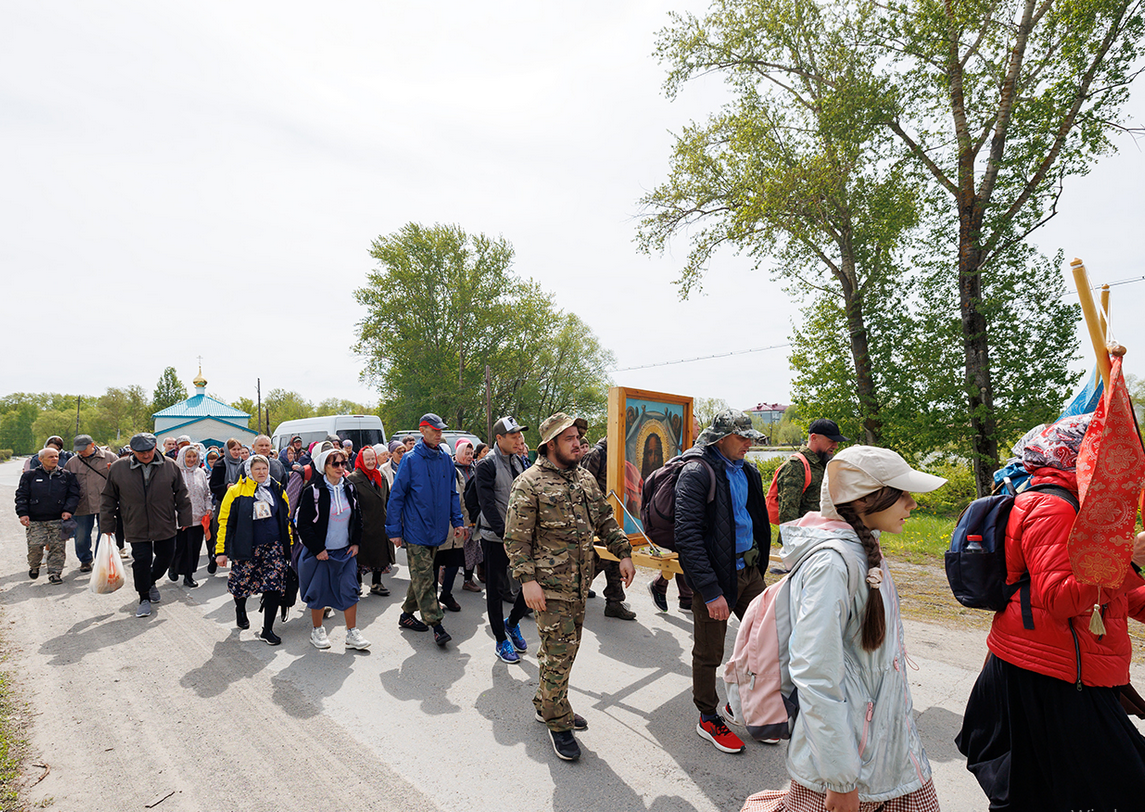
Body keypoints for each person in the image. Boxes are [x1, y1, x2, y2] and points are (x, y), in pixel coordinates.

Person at [956, 416, 1145, 811]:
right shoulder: (1052, 506)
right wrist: (1131, 561)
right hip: (1051, 673)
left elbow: (1112, 595)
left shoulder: (1083, 505)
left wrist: (1130, 571)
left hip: (1060, 664)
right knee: (1117, 787)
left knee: (1039, 791)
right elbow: (1061, 598)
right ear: (1078, 456)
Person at [742, 445, 945, 812]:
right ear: (864, 500)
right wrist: (840, 777)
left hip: (888, 755)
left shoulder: (864, 552)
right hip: (850, 769)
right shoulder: (831, 565)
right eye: (902, 494)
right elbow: (816, 674)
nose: (912, 504)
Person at [504, 412, 635, 762]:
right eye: (569, 438)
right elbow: (516, 540)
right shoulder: (529, 483)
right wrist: (527, 581)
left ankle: (546, 703)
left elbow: (605, 518)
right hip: (549, 588)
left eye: (579, 437)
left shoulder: (584, 478)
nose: (578, 443)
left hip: (579, 585)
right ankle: (558, 723)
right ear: (550, 445)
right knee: (558, 656)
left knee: (565, 652)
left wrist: (623, 552)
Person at [674, 409, 770, 754]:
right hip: (715, 577)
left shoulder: (748, 471)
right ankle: (707, 716)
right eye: (742, 437)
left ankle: (738, 705)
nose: (748, 443)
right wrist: (711, 590)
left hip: (749, 572)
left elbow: (756, 519)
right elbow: (687, 535)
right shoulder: (697, 472)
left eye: (750, 437)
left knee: (767, 640)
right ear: (721, 437)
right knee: (709, 652)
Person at [387, 413, 466, 647]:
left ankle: (406, 615)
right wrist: (394, 530)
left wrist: (458, 520)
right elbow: (397, 497)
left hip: (438, 529)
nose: (439, 432)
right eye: (435, 429)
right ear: (423, 430)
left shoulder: (445, 458)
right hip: (415, 530)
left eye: (441, 429)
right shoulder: (410, 460)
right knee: (424, 576)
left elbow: (453, 493)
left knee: (422, 576)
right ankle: (437, 624)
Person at [100, 433, 192, 617]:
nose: (146, 455)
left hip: (164, 521)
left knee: (167, 556)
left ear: (156, 446)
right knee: (141, 561)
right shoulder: (119, 467)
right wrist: (107, 525)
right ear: (132, 450)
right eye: (141, 452)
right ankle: (143, 598)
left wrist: (185, 519)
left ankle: (150, 580)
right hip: (135, 522)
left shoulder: (169, 465)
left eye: (149, 451)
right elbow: (109, 497)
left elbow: (182, 493)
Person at [214, 454, 295, 645]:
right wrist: (221, 551)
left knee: (273, 585)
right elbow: (225, 522)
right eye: (257, 469)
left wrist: (288, 545)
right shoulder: (236, 491)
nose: (261, 472)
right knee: (241, 584)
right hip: (246, 547)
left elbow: (285, 518)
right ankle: (240, 609)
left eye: (264, 468)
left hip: (273, 547)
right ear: (248, 470)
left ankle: (267, 630)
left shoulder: (277, 489)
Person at [296, 446, 370, 651]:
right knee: (318, 592)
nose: (340, 467)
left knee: (350, 589)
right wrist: (318, 548)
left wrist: (356, 542)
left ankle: (351, 632)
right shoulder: (313, 491)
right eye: (334, 463)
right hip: (321, 553)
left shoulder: (350, 488)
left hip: (345, 551)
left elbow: (357, 517)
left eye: (343, 463)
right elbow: (303, 525)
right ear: (324, 467)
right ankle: (317, 630)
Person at [474, 416, 532, 664]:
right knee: (496, 591)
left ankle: (513, 622)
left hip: (522, 536)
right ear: (499, 438)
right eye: (513, 435)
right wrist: (504, 534)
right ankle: (500, 639)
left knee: (531, 580)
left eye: (520, 434)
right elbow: (486, 504)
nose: (519, 439)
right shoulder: (486, 464)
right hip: (496, 537)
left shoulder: (520, 461)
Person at [579, 437, 637, 620]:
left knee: (613, 557)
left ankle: (614, 602)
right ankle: (575, 592)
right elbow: (583, 485)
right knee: (600, 557)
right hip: (597, 516)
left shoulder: (621, 455)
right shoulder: (596, 454)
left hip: (614, 515)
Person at [16, 446, 81, 583]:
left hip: (58, 519)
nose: (54, 459)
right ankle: (34, 566)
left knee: (57, 548)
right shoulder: (30, 476)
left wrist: (68, 510)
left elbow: (73, 495)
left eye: (56, 456)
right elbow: (21, 495)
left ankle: (55, 573)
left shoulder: (66, 476)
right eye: (51, 457)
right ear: (41, 459)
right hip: (35, 520)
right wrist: (22, 513)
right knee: (35, 546)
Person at [774, 418, 847, 526]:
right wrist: (793, 540)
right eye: (831, 441)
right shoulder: (796, 466)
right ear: (814, 438)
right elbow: (788, 514)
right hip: (806, 537)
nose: (836, 446)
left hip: (826, 534)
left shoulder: (827, 463)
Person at [63, 434, 117, 573]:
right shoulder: (72, 462)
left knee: (105, 533)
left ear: (92, 445)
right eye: (78, 449)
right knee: (81, 536)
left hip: (105, 503)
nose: (80, 452)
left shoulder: (110, 458)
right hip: (82, 504)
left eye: (83, 448)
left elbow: (121, 480)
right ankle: (85, 560)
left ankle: (101, 561)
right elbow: (66, 485)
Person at [346, 446, 394, 596]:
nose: (371, 462)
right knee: (360, 556)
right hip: (362, 524)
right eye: (367, 459)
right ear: (361, 459)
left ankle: (376, 583)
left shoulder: (381, 475)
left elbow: (387, 498)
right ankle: (357, 583)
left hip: (380, 523)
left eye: (373, 458)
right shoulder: (353, 479)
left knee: (380, 554)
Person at [434, 442, 471, 613]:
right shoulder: (431, 473)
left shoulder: (456, 474)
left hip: (455, 527)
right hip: (437, 529)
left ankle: (446, 594)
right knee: (434, 565)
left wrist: (465, 524)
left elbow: (461, 500)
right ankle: (432, 598)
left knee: (454, 563)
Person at [171, 445, 211, 588]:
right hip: (180, 518)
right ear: (182, 457)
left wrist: (208, 508)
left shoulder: (200, 472)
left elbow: (207, 493)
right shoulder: (175, 472)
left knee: (194, 548)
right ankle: (174, 566)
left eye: (194, 456)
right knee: (179, 547)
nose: (192, 459)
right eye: (188, 456)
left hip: (198, 518)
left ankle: (189, 576)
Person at [453, 438, 483, 593]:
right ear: (459, 453)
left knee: (472, 548)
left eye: (472, 453)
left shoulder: (475, 469)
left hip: (473, 515)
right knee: (456, 548)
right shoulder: (453, 470)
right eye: (466, 453)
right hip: (458, 515)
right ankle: (445, 573)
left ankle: (468, 580)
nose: (470, 456)